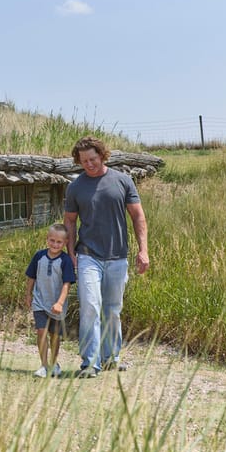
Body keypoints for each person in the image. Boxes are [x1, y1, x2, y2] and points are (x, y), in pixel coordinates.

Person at [64, 136, 149, 378]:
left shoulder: (122, 181)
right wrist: (71, 254)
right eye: (83, 161)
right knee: (90, 306)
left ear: (102, 155)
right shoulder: (76, 187)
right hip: (88, 255)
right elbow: (69, 221)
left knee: (112, 309)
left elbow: (138, 217)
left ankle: (111, 357)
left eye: (92, 159)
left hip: (117, 256)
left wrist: (143, 250)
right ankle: (90, 363)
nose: (89, 164)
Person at [24, 223, 76, 378]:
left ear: (65, 243)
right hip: (40, 302)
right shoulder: (39, 256)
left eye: (59, 242)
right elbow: (31, 277)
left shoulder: (65, 261)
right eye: (52, 240)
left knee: (54, 335)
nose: (55, 244)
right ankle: (44, 365)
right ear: (47, 239)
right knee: (41, 331)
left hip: (57, 306)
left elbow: (67, 284)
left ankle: (54, 364)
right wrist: (28, 294)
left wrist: (60, 302)